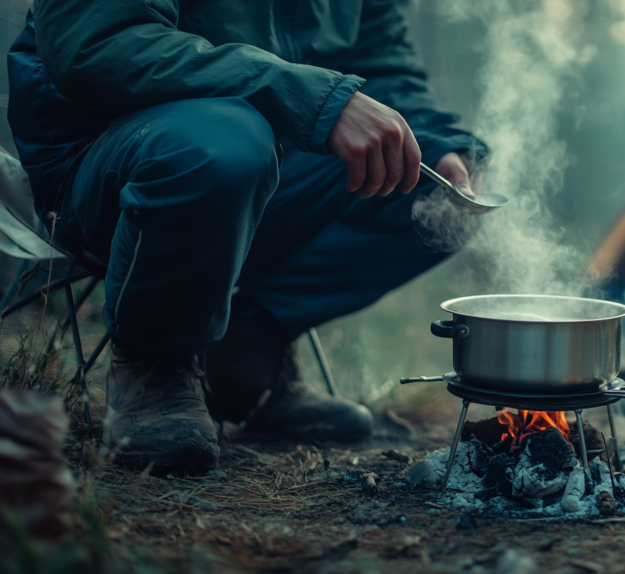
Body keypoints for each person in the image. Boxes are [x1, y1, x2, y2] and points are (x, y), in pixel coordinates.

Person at [7, 0, 485, 476]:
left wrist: (437, 145)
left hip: (258, 164)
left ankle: (245, 346)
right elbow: (96, 48)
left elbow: (379, 66)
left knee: (435, 190)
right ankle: (156, 367)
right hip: (110, 164)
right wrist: (313, 98)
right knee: (224, 145)